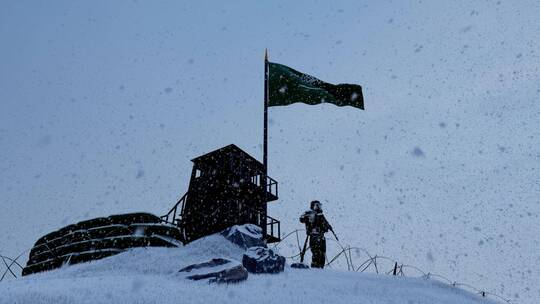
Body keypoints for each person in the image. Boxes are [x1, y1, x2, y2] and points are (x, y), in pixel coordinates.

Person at [299, 200, 333, 268]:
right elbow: (301, 219)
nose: (319, 207)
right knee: (316, 253)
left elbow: (325, 227)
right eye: (317, 206)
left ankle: (320, 268)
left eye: (319, 206)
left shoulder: (321, 216)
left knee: (322, 254)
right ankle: (315, 268)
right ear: (313, 206)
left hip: (321, 237)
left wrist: (327, 227)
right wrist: (308, 215)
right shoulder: (310, 213)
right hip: (314, 236)